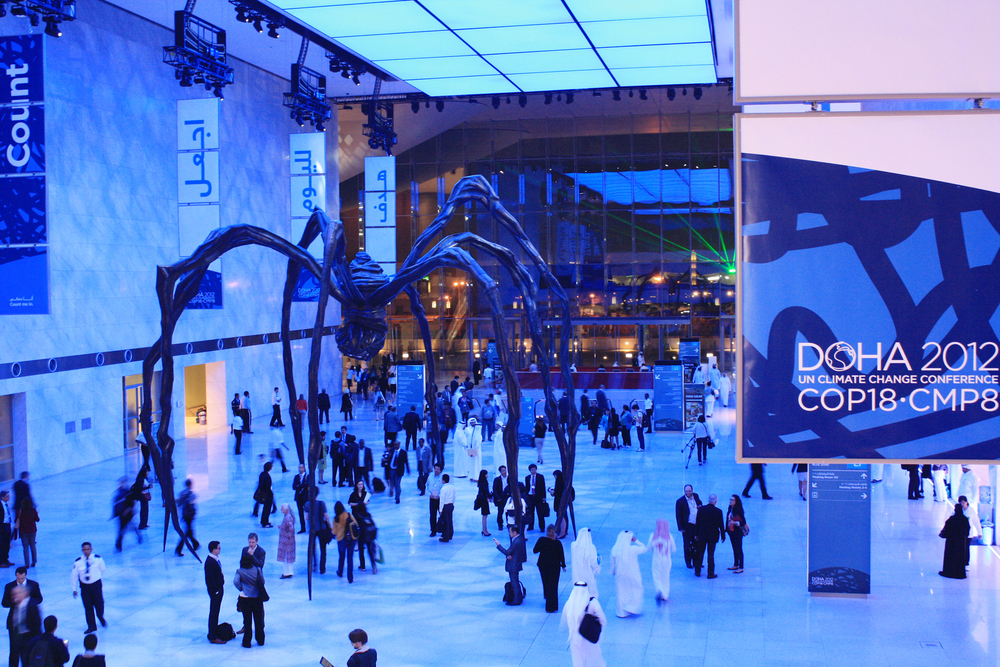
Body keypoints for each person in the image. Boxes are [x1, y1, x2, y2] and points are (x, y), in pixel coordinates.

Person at [562, 581, 607, 667]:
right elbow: (603, 620)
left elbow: (564, 623)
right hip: (589, 638)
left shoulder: (569, 604)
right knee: (593, 660)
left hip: (575, 639)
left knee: (578, 661)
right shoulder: (593, 603)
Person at [4, 567, 42, 667]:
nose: (20, 580)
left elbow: (39, 598)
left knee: (27, 654)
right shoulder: (9, 586)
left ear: (25, 575)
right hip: (14, 628)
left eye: (22, 578)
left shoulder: (33, 585)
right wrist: (14, 602)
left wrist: (28, 602)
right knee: (14, 651)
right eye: (18, 578)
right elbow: (4, 602)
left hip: (27, 632)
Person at [610, 530, 647, 617]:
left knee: (621, 591)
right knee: (636, 589)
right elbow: (644, 548)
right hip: (633, 573)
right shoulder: (633, 549)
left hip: (620, 574)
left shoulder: (615, 549)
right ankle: (632, 607)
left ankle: (621, 612)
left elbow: (612, 562)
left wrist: (613, 571)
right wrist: (636, 540)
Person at [71, 542, 106, 634]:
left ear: (91, 549)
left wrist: (96, 578)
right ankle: (91, 626)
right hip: (85, 587)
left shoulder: (98, 559)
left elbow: (103, 570)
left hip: (96, 586)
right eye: (84, 549)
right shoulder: (78, 562)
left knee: (99, 605)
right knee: (88, 607)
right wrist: (74, 589)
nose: (86, 551)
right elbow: (74, 575)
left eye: (87, 549)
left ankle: (100, 617)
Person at [234, 552, 266, 647]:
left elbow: (236, 581)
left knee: (247, 621)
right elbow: (262, 581)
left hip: (245, 598)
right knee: (259, 620)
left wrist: (242, 588)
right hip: (257, 598)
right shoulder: (257, 570)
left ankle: (247, 642)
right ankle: (260, 640)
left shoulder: (240, 571)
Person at [533, 526, 566, 612]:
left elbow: (535, 550)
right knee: (553, 585)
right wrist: (563, 565)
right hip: (554, 566)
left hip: (543, 565)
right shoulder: (557, 543)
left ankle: (547, 596)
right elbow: (561, 555)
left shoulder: (542, 540)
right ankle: (551, 606)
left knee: (546, 582)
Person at [494, 525, 526, 606]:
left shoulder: (516, 541)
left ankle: (516, 600)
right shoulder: (519, 539)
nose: (509, 533)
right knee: (515, 582)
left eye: (510, 531)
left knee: (514, 583)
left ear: (515, 532)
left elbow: (507, 552)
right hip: (516, 564)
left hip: (513, 565)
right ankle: (517, 598)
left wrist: (498, 545)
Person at [694, 494, 725, 579]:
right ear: (716, 501)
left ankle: (697, 571)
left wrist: (696, 534)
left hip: (702, 535)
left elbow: (698, 523)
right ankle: (710, 573)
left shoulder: (701, 509)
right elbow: (721, 525)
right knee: (710, 554)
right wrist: (723, 535)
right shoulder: (718, 511)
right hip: (713, 536)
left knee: (700, 553)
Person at [939, 502, 970, 579]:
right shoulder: (964, 519)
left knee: (950, 556)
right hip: (961, 542)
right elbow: (967, 530)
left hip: (951, 541)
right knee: (959, 557)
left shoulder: (952, 519)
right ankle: (959, 573)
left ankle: (948, 571)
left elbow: (946, 528)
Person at [674, 484, 701, 569]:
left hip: (696, 525)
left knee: (697, 544)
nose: (688, 493)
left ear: (692, 490)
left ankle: (697, 561)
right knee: (687, 545)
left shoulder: (696, 496)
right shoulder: (680, 501)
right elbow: (678, 515)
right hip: (687, 526)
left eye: (689, 491)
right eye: (686, 491)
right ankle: (688, 562)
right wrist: (681, 528)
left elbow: (700, 504)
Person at [649, 519, 676, 602]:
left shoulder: (653, 536)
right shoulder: (669, 537)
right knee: (665, 576)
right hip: (666, 559)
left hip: (656, 559)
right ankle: (665, 595)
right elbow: (673, 549)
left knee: (656, 575)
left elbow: (649, 548)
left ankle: (659, 589)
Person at [205, 541, 226, 644]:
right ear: (213, 549)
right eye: (218, 548)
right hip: (216, 591)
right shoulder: (210, 562)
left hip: (219, 589)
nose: (220, 549)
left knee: (216, 611)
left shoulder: (215, 559)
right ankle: (212, 635)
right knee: (214, 612)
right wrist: (215, 591)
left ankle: (214, 631)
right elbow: (210, 579)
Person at [571, 528, 600, 598]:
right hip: (588, 576)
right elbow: (594, 563)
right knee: (590, 595)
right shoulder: (591, 547)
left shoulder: (574, 546)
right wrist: (597, 569)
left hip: (577, 576)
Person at [307, 488, 330, 575]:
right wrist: (330, 527)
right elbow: (326, 516)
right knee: (323, 549)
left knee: (312, 548)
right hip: (322, 528)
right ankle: (322, 568)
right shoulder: (321, 503)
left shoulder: (307, 504)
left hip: (312, 529)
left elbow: (307, 517)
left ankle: (314, 564)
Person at [113, 477, 139, 554]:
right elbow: (116, 504)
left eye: (122, 482)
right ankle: (119, 544)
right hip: (122, 515)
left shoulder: (127, 492)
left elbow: (131, 503)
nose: (120, 484)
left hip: (128, 514)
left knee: (130, 527)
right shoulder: (119, 492)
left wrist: (127, 510)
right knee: (122, 529)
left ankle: (138, 535)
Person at [334, 501, 358, 583]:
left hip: (341, 540)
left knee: (341, 556)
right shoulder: (348, 515)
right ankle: (350, 577)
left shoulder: (336, 519)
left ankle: (340, 572)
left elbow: (334, 531)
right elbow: (356, 524)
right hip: (350, 539)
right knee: (350, 558)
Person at [175, 478, 199, 556]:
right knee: (187, 532)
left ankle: (195, 544)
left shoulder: (182, 493)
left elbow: (179, 504)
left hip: (185, 514)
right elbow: (191, 502)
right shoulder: (192, 494)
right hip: (190, 514)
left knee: (189, 530)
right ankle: (179, 549)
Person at [725, 495, 747, 573]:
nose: (731, 501)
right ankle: (736, 564)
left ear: (736, 501)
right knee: (734, 547)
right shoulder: (730, 508)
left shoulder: (739, 510)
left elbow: (743, 522)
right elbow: (727, 518)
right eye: (730, 499)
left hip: (737, 531)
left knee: (739, 548)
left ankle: (741, 566)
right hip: (731, 531)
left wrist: (736, 523)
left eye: (733, 500)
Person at [959, 495, 982, 566]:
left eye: (963, 502)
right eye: (961, 503)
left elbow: (976, 522)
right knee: (960, 548)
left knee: (966, 548)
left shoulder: (971, 511)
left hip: (968, 534)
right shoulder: (958, 510)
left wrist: (979, 532)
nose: (962, 504)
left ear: (966, 502)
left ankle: (966, 563)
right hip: (960, 533)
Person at [15, 499, 37, 568]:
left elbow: (16, 520)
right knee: (33, 546)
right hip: (32, 530)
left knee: (25, 547)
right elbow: (37, 519)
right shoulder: (33, 510)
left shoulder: (20, 511)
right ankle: (34, 561)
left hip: (24, 531)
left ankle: (27, 564)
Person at [524, 464, 546, 532]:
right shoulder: (527, 478)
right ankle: (531, 526)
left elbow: (543, 487)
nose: (533, 471)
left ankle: (542, 527)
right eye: (532, 470)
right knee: (531, 513)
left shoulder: (540, 477)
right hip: (530, 497)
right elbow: (526, 488)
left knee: (540, 513)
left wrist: (544, 497)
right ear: (530, 470)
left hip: (538, 497)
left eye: (534, 469)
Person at [277, 504, 296, 579]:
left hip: (286, 541)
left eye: (282, 508)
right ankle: (289, 572)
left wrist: (288, 536)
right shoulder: (288, 516)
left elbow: (291, 528)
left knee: (285, 557)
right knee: (288, 557)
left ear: (286, 509)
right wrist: (281, 527)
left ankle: (286, 573)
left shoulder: (288, 518)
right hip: (288, 540)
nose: (281, 509)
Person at [255, 462, 274, 528]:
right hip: (267, 495)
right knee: (267, 509)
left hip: (263, 494)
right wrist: (270, 493)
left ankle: (264, 520)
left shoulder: (262, 474)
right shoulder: (267, 476)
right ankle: (265, 522)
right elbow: (267, 487)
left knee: (265, 508)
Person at [438, 474, 456, 542]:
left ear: (443, 480)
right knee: (450, 520)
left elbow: (442, 500)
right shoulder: (452, 487)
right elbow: (454, 496)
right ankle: (450, 534)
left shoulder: (443, 489)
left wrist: (440, 509)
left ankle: (446, 537)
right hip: (451, 505)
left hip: (445, 506)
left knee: (445, 522)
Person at [492, 466, 510, 531]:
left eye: (505, 470)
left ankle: (509, 523)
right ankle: (500, 524)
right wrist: (498, 498)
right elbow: (495, 489)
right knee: (500, 512)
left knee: (509, 511)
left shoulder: (509, 478)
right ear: (500, 471)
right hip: (501, 498)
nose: (504, 472)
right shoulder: (497, 479)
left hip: (508, 498)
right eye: (502, 470)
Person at [428, 465, 444, 537]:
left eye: (438, 469)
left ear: (441, 470)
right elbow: (427, 485)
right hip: (432, 498)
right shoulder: (430, 476)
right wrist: (429, 494)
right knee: (432, 515)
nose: (436, 470)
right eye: (435, 468)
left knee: (442, 514)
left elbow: (445, 488)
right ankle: (433, 530)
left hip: (439, 499)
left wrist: (439, 496)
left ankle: (444, 530)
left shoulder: (443, 477)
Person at [293, 465, 309, 533]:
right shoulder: (296, 476)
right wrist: (302, 486)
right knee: (300, 512)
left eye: (301, 467)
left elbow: (307, 484)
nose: (300, 469)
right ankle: (303, 527)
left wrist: (299, 486)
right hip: (299, 497)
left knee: (308, 512)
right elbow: (294, 487)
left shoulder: (307, 476)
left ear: (304, 468)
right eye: (299, 467)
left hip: (305, 497)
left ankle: (310, 526)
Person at [475, 470, 492, 537]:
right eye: (486, 474)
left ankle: (485, 530)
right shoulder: (483, 483)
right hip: (483, 500)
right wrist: (490, 497)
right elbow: (486, 491)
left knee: (485, 515)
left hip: (483, 499)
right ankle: (484, 530)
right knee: (485, 515)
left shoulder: (481, 482)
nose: (487, 475)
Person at [0, 491, 13, 568]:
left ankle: (5, 559)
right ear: (2, 497)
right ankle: (1, 561)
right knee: (2, 544)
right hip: (2, 527)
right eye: (7, 496)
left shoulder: (6, 504)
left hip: (7, 525)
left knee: (7, 544)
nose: (9, 497)